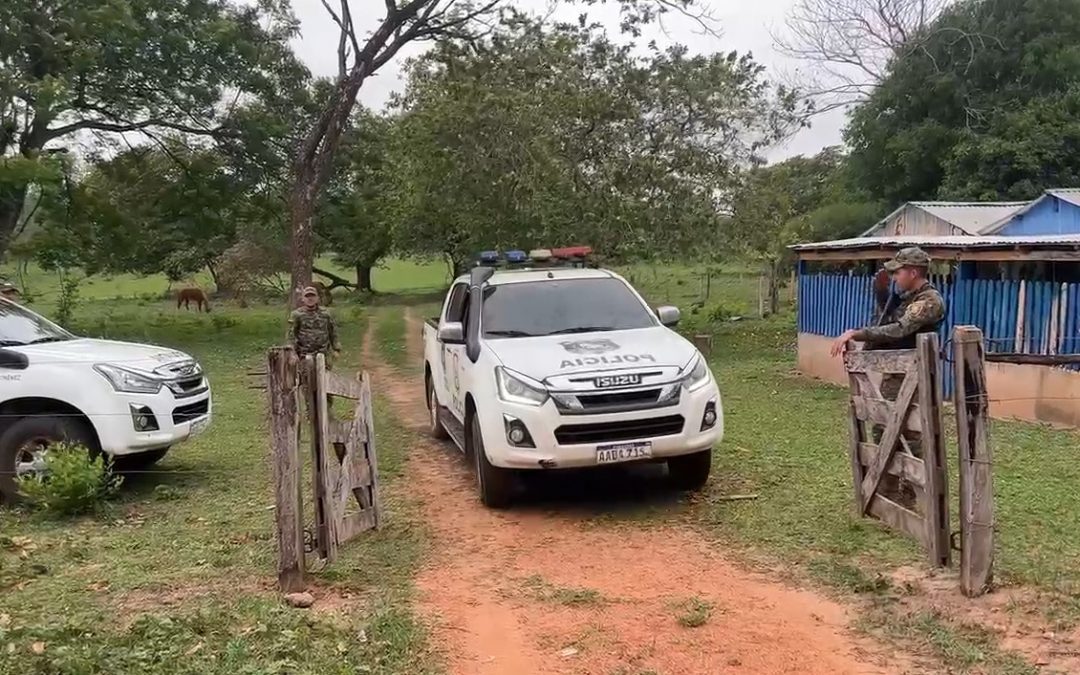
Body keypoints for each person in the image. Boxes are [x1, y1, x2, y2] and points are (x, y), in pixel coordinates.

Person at [830, 247, 946, 359]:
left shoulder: (928, 300)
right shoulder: (910, 296)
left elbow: (899, 329)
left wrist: (856, 334)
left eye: (897, 273)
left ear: (913, 274)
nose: (894, 278)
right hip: (900, 365)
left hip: (918, 370)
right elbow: (891, 318)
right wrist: (882, 293)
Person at [289, 286, 341, 367]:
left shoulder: (326, 313)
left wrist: (336, 349)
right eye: (307, 296)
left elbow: (333, 331)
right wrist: (292, 353)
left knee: (323, 378)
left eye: (312, 296)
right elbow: (291, 335)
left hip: (323, 354)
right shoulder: (297, 314)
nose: (310, 299)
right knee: (306, 377)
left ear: (317, 298)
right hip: (304, 354)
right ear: (303, 299)